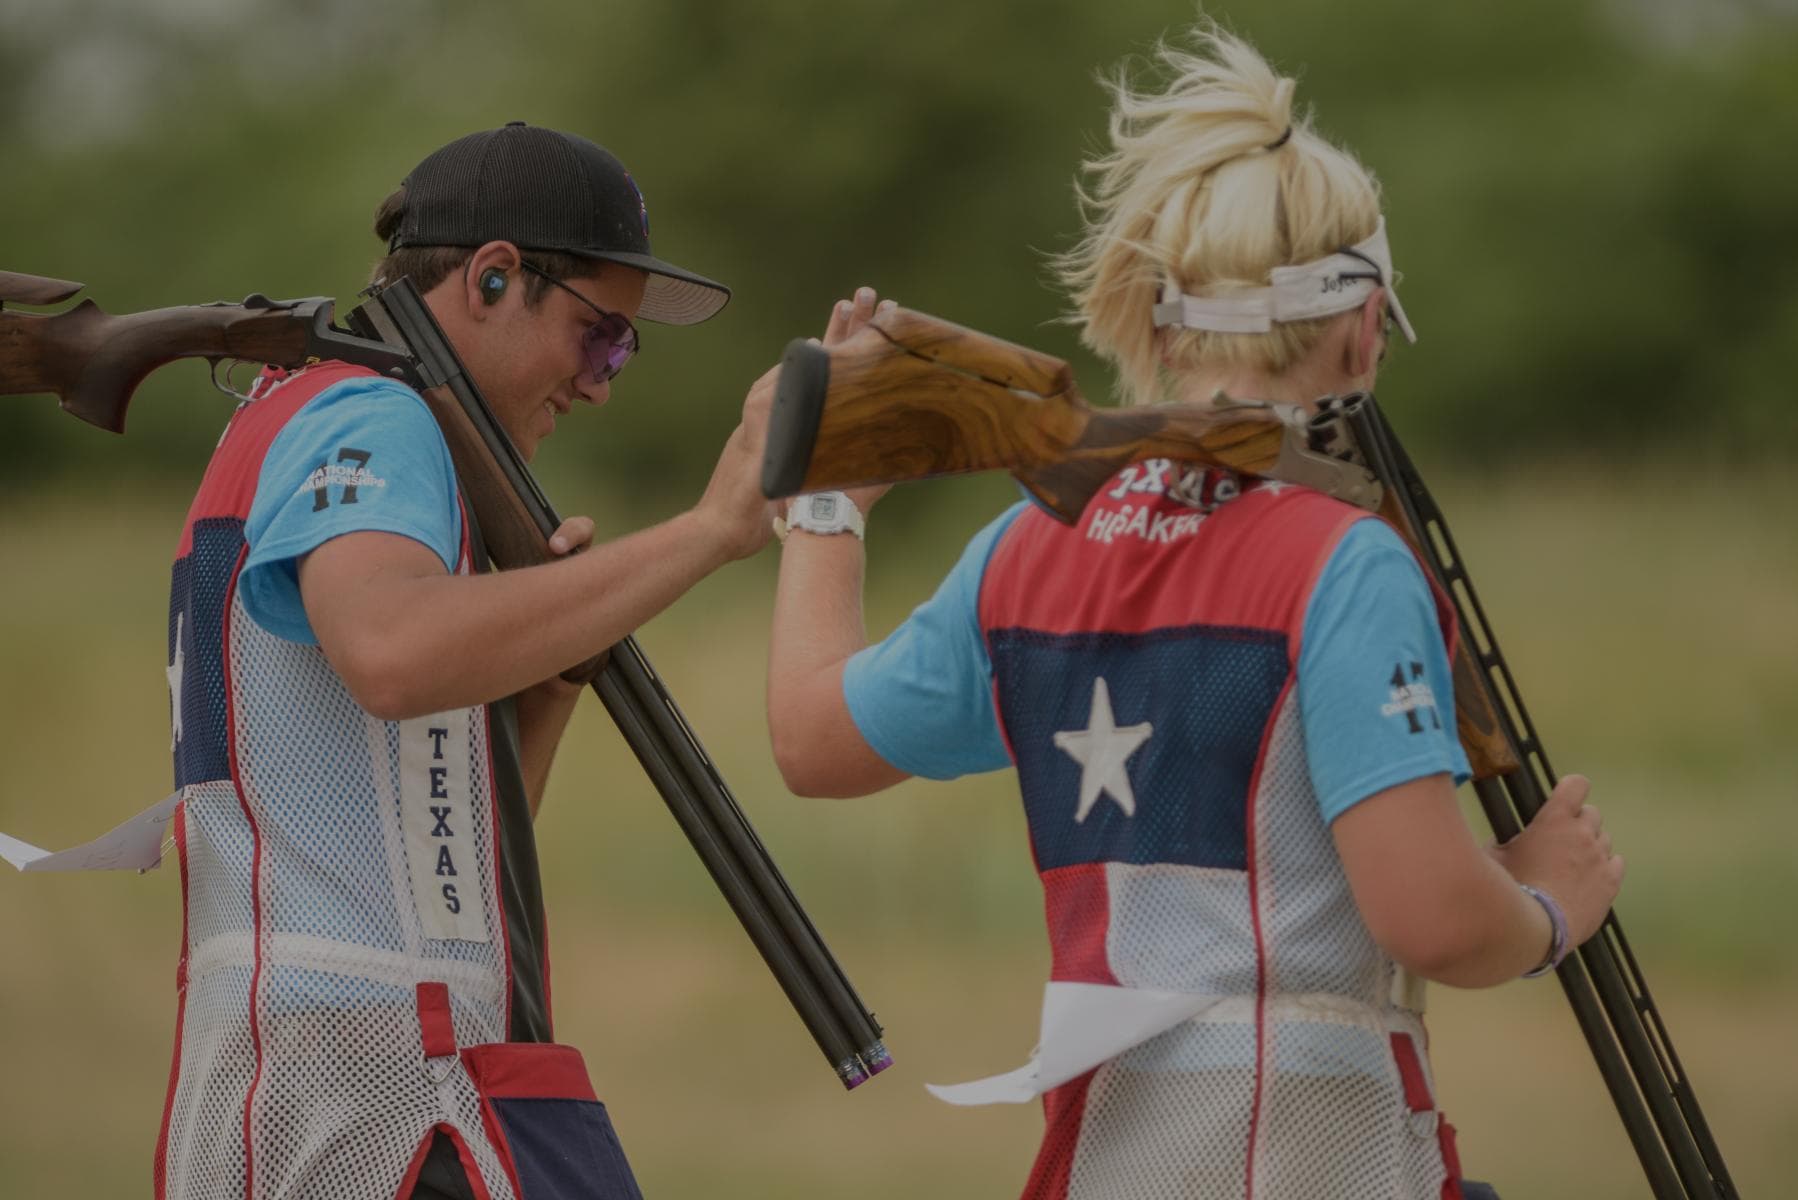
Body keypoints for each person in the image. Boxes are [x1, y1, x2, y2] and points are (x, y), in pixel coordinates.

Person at [766, 28, 1624, 1200]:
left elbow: (812, 741)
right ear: (1362, 326)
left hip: (1105, 1158)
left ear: (1158, 326)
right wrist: (1540, 905)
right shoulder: (1345, 562)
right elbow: (1428, 914)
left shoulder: (1025, 548)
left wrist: (829, 496)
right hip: (1313, 1158)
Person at [159, 122, 779, 1200]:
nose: (601, 385)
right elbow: (390, 653)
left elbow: (441, 862)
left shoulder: (306, 417)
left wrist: (543, 683)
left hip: (346, 1061)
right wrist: (710, 531)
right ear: (493, 277)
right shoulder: (375, 414)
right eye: (600, 338)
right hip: (380, 1084)